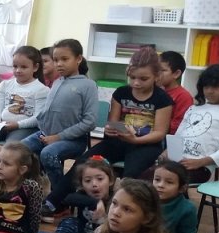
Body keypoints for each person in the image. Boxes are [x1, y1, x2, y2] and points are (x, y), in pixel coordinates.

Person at [46, 46, 172, 216]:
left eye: (143, 79)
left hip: (146, 144)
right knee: (84, 162)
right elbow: (113, 121)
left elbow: (160, 132)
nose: (136, 83)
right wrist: (112, 129)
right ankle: (53, 202)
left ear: (156, 77)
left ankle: (117, 210)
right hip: (119, 141)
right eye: (132, 77)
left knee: (131, 173)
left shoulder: (162, 98)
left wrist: (135, 140)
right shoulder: (121, 92)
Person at [18, 39, 97, 207]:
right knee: (19, 150)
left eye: (64, 59)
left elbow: (90, 122)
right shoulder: (57, 82)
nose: (59, 64)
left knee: (49, 154)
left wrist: (58, 137)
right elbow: (48, 112)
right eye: (56, 60)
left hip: (73, 140)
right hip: (47, 134)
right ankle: (24, 191)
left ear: (78, 59)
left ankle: (60, 199)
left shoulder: (88, 85)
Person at [146, 63, 219, 185]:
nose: (209, 91)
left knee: (162, 182)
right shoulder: (193, 109)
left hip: (200, 168)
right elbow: (178, 137)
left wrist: (199, 162)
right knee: (144, 179)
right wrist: (165, 154)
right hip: (175, 162)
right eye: (206, 87)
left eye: (216, 87)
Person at [36, 157, 115, 233]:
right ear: (82, 184)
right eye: (87, 181)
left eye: (100, 179)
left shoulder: (115, 199)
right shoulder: (82, 195)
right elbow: (67, 198)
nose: (94, 184)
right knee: (70, 223)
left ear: (110, 180)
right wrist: (95, 202)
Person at [151, 160, 198, 233]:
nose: (160, 185)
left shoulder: (187, 209)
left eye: (169, 182)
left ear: (182, 188)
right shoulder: (144, 199)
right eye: (157, 179)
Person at [157, 51, 193, 134]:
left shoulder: (183, 96)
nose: (157, 73)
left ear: (176, 74)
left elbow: (179, 125)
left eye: (162, 70)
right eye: (156, 69)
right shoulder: (154, 90)